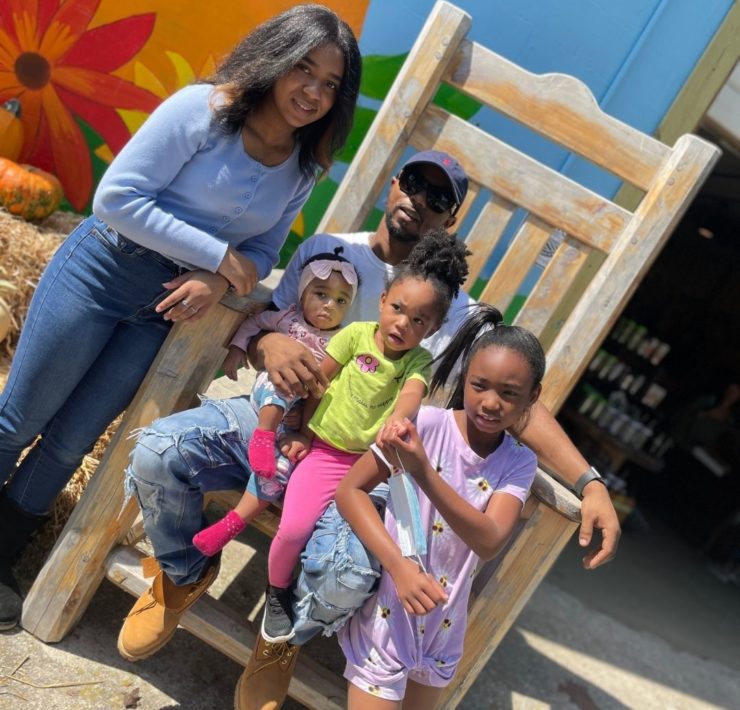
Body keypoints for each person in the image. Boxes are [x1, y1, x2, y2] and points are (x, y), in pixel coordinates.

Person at [115, 150, 620, 708]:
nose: (419, 201)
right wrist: (266, 342)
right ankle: (184, 573)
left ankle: (281, 636)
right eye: (414, 183)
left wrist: (589, 481)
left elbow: (516, 400)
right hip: (283, 420)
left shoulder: (459, 315)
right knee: (161, 452)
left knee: (350, 571)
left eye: (439, 199)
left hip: (363, 468)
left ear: (448, 221)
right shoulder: (329, 250)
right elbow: (265, 319)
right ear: (393, 183)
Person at [0, 3, 361, 632]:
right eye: (304, 69)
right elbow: (116, 198)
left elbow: (262, 253)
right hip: (102, 271)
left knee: (70, 441)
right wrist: (216, 255)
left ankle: (1, 557)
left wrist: (218, 276)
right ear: (274, 59)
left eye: (332, 84)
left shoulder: (304, 167)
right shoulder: (205, 110)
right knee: (19, 419)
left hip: (163, 314)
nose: (314, 91)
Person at [242, 229, 468, 646]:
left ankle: (307, 625)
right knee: (292, 531)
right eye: (398, 308)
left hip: (369, 471)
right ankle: (276, 592)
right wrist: (297, 431)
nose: (404, 323)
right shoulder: (355, 335)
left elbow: (412, 394)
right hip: (324, 454)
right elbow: (316, 382)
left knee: (347, 553)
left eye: (419, 320)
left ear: (433, 328)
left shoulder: (416, 361)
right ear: (382, 301)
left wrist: (398, 422)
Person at [335, 304, 544, 706]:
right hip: (389, 613)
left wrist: (423, 472)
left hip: (443, 632)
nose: (490, 402)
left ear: (532, 396)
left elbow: (489, 540)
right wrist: (398, 567)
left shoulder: (519, 461)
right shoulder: (426, 426)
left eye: (509, 393)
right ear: (465, 378)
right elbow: (350, 492)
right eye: (479, 385)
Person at [192, 247, 359, 555]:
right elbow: (255, 324)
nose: (328, 305)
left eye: (340, 300)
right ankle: (262, 435)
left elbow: (331, 389)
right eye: (321, 294)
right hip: (269, 394)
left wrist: (304, 429)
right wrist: (237, 349)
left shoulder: (342, 342)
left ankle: (230, 524)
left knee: (278, 471)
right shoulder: (288, 320)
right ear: (302, 293)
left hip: (293, 416)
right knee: (280, 379)